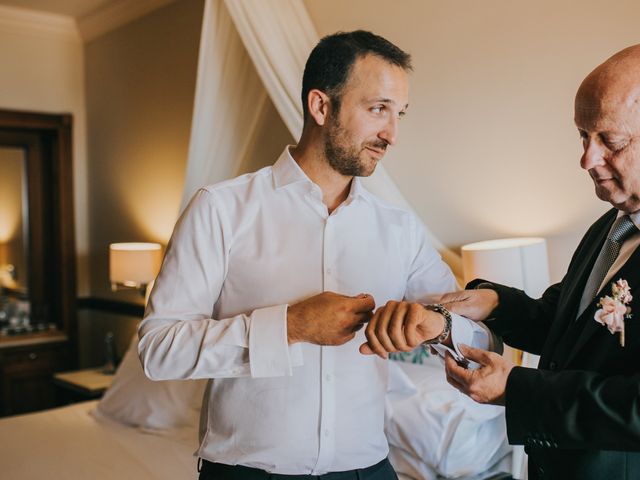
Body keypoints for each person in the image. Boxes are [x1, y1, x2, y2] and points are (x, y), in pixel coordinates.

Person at [138, 30, 492, 480]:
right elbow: (158, 350)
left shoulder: (400, 229)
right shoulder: (221, 209)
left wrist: (438, 325)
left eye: (399, 114)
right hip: (245, 472)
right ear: (322, 106)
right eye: (378, 109)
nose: (392, 135)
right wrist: (291, 326)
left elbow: (474, 335)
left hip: (369, 469)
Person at [361, 44, 640, 479]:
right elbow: (563, 326)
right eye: (584, 137)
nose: (587, 158)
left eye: (611, 141)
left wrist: (518, 389)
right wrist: (494, 302)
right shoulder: (609, 227)